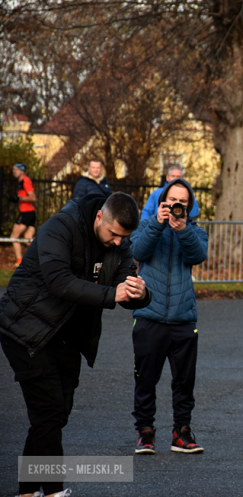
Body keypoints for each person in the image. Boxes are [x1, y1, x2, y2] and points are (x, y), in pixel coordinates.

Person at [0, 192, 150, 497]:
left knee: (55, 415)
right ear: (99, 217)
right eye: (114, 234)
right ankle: (54, 492)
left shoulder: (119, 244)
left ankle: (27, 493)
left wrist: (139, 292)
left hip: (67, 336)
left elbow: (125, 285)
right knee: (49, 413)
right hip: (26, 329)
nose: (119, 242)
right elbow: (60, 282)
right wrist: (112, 294)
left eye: (125, 237)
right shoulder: (60, 227)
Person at [130, 178, 208, 455]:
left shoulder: (196, 231)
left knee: (185, 382)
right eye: (172, 200)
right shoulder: (148, 225)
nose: (177, 205)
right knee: (146, 380)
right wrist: (157, 223)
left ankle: (182, 433)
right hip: (149, 315)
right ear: (162, 201)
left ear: (190, 206)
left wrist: (183, 229)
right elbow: (137, 251)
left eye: (182, 202)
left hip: (183, 318)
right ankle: (145, 432)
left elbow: (197, 256)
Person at [9, 163, 37, 267]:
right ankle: (41, 258)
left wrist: (19, 198)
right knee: (28, 238)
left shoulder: (26, 181)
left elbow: (33, 198)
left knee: (13, 237)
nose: (14, 172)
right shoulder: (20, 182)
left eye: (16, 169)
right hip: (29, 213)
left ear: (22, 171)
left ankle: (19, 261)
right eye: (13, 170)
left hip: (27, 213)